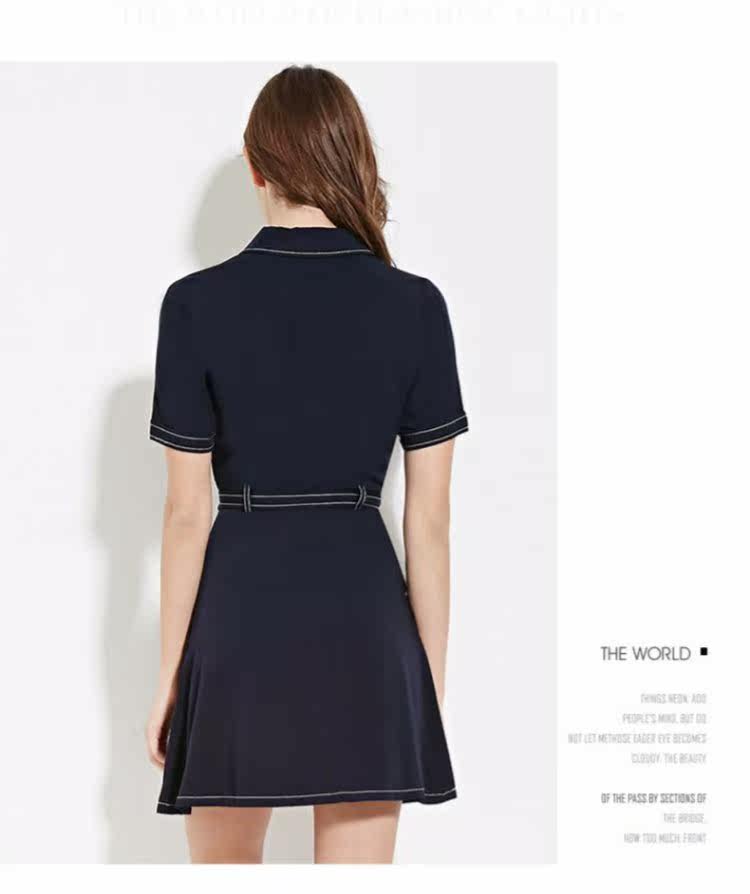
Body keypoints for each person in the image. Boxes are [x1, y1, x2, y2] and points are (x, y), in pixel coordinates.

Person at [145, 65, 468, 864]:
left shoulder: (194, 305)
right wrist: (425, 679)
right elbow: (429, 519)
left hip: (238, 618)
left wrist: (168, 676)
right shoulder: (415, 306)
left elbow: (186, 514)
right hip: (367, 622)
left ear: (256, 167)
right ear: (350, 157)